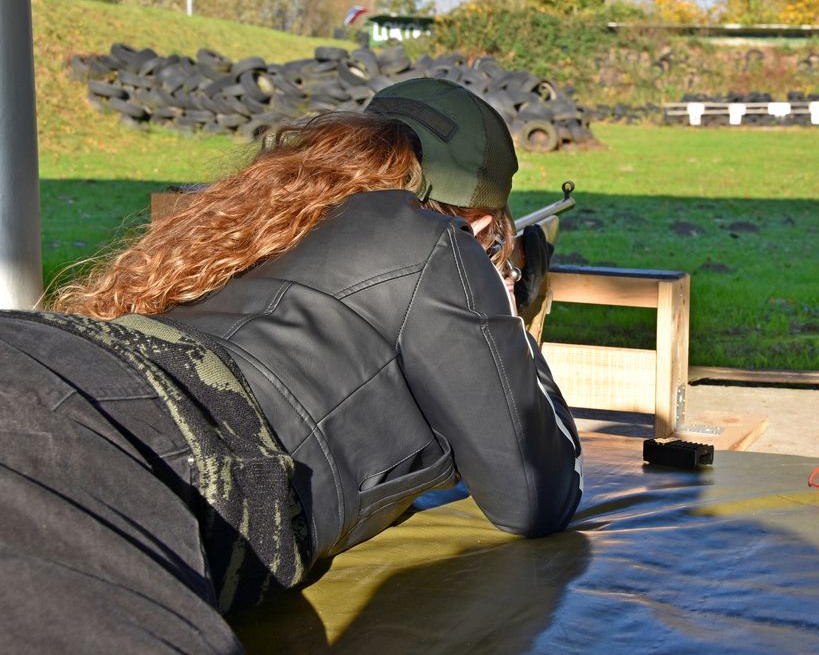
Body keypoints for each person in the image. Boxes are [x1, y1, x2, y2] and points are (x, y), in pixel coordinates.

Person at [0, 78, 583, 653]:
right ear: (480, 223)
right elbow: (534, 494)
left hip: (53, 356)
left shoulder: (262, 219)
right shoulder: (433, 241)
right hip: (130, 435)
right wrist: (509, 318)